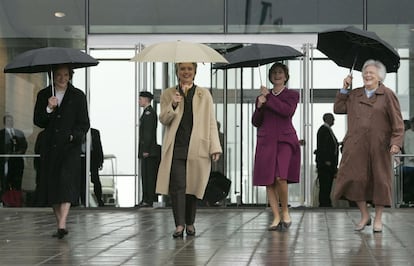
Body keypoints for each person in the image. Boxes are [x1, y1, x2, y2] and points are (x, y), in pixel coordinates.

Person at [333, 59, 404, 233]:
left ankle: (378, 218)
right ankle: (365, 215)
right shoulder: (355, 94)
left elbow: (398, 122)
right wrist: (344, 89)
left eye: (372, 72)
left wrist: (396, 143)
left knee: (380, 181)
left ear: (380, 76)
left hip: (379, 146)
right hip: (356, 145)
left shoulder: (387, 94)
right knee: (356, 180)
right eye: (365, 72)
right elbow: (339, 108)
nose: (367, 75)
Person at [156, 62, 222, 238]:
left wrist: (215, 146)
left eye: (189, 69)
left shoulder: (204, 94)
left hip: (197, 146)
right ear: (177, 71)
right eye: (182, 69)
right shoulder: (169, 93)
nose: (186, 72)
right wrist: (174, 105)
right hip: (176, 147)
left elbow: (211, 122)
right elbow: (163, 118)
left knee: (193, 186)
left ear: (194, 72)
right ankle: (179, 224)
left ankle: (190, 222)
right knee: (178, 186)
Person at [34, 64, 90, 239]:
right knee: (53, 186)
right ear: (53, 76)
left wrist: (74, 137)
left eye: (65, 75)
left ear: (70, 76)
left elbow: (84, 123)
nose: (62, 78)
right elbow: (38, 121)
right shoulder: (44, 94)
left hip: (69, 148)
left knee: (66, 183)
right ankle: (60, 223)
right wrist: (49, 108)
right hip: (50, 147)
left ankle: (62, 223)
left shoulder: (78, 95)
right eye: (58, 75)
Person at [252, 62, 301, 231]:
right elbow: (256, 122)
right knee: (269, 180)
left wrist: (269, 98)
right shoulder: (262, 97)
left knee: (281, 177)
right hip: (266, 141)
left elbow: (286, 111)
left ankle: (285, 210)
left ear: (286, 76)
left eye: (280, 72)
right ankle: (275, 216)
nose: (277, 75)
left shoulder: (292, 95)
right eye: (274, 73)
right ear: (270, 77)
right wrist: (259, 106)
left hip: (284, 141)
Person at [138, 91, 160, 208]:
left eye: (140, 99)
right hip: (148, 151)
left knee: (149, 176)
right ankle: (145, 198)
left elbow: (148, 133)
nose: (139, 101)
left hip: (149, 151)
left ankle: (148, 199)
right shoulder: (147, 112)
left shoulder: (149, 113)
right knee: (145, 176)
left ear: (146, 99)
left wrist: (145, 149)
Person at [314, 113, 339, 207]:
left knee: (327, 184)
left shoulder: (327, 130)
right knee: (325, 184)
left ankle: (326, 202)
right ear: (327, 119)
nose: (334, 121)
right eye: (332, 119)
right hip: (325, 164)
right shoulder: (323, 130)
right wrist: (326, 160)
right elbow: (323, 146)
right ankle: (324, 203)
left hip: (328, 164)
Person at [0, 114, 28, 195]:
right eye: (8, 120)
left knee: (17, 181)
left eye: (11, 120)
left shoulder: (19, 133)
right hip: (5, 161)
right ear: (4, 122)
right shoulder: (1, 134)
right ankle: (5, 199)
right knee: (5, 181)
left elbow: (24, 145)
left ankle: (16, 200)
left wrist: (19, 152)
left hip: (17, 161)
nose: (10, 122)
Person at [80, 128, 105, 207]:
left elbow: (99, 146)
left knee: (95, 179)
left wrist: (100, 160)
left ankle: (99, 199)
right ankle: (83, 201)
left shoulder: (95, 132)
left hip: (92, 157)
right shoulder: (78, 132)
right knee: (82, 180)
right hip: (81, 157)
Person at [403, 117, 414, 203]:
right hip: (409, 164)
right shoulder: (407, 133)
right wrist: (411, 157)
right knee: (408, 183)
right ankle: (408, 200)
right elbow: (405, 147)